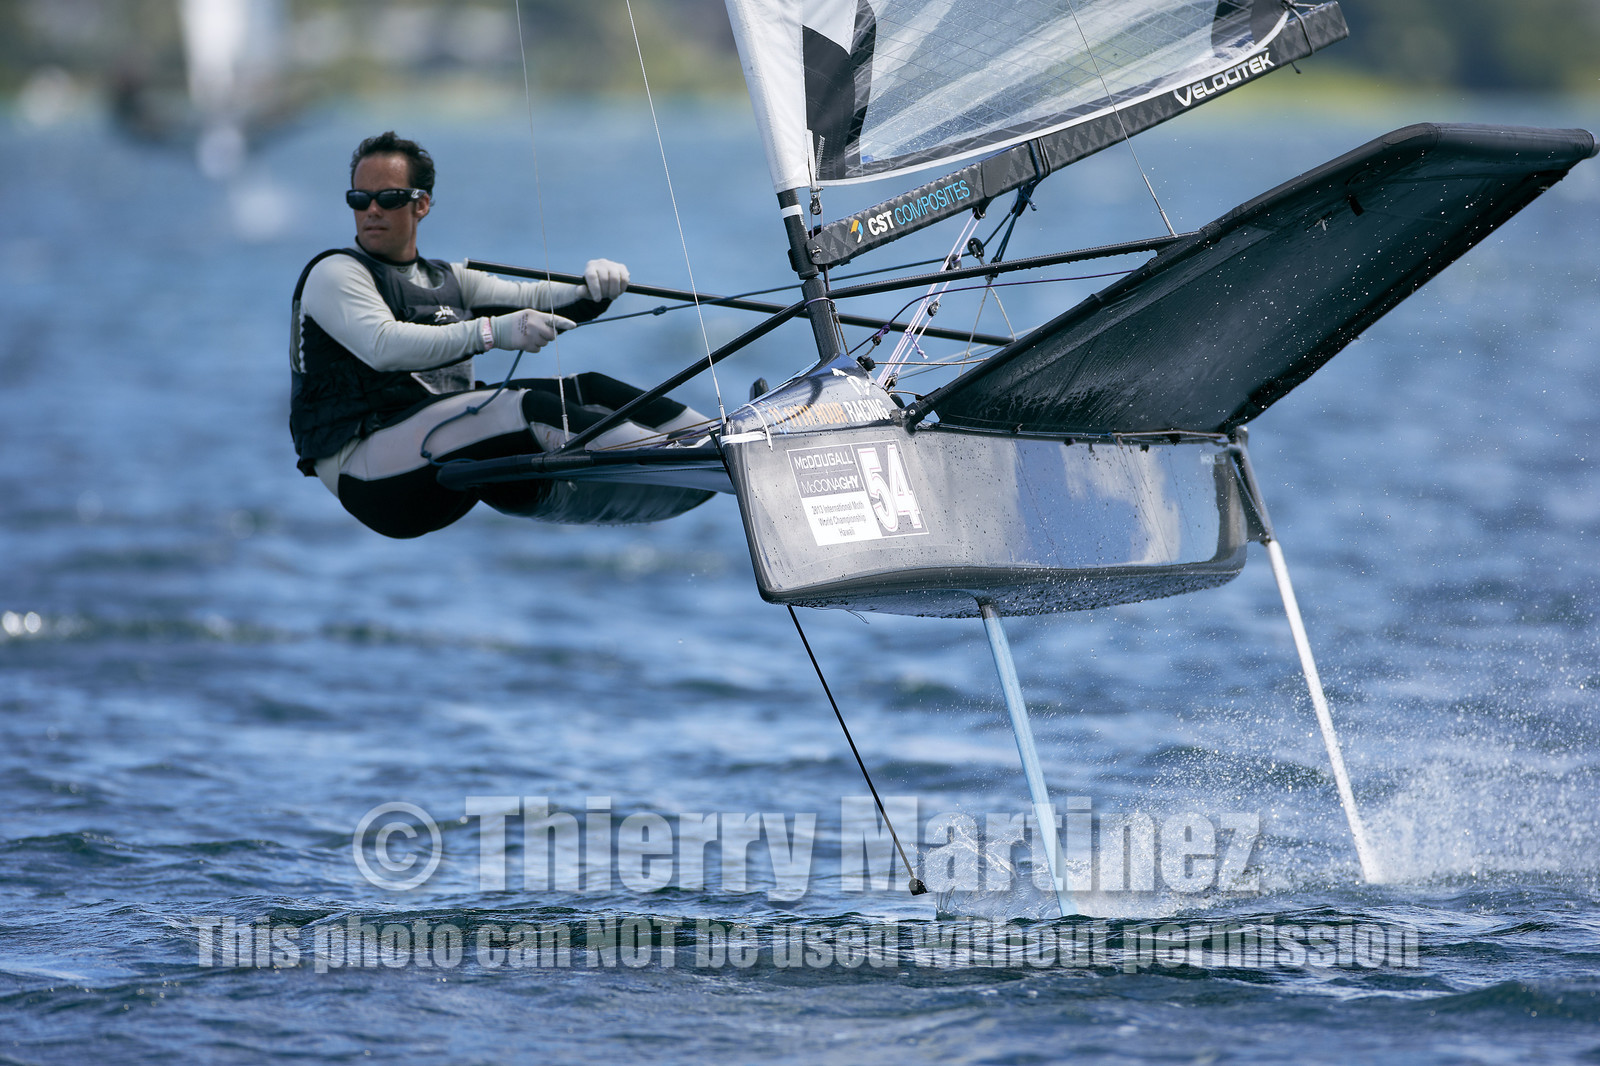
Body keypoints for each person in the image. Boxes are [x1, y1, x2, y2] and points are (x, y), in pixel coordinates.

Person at [290, 131, 712, 539]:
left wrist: (595, 286)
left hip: (440, 457)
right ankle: (687, 464)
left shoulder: (450, 278)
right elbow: (384, 346)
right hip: (369, 473)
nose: (372, 210)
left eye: (388, 198)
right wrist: (493, 332)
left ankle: (713, 439)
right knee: (523, 408)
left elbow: (538, 299)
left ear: (422, 204)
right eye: (359, 199)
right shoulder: (335, 273)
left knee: (587, 389)